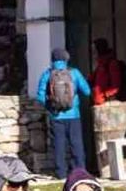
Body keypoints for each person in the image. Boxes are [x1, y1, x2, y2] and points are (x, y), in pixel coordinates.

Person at [37, 48, 93, 179]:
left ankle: (61, 174)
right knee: (76, 144)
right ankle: (80, 173)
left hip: (56, 116)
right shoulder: (74, 73)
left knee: (59, 146)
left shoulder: (47, 74)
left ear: (52, 60)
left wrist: (51, 107)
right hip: (74, 115)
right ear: (67, 59)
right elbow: (87, 91)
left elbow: (40, 96)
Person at [90, 38, 125, 106]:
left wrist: (104, 95)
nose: (93, 54)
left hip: (108, 104)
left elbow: (116, 87)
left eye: (94, 51)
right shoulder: (100, 65)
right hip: (100, 103)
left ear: (100, 50)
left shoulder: (111, 64)